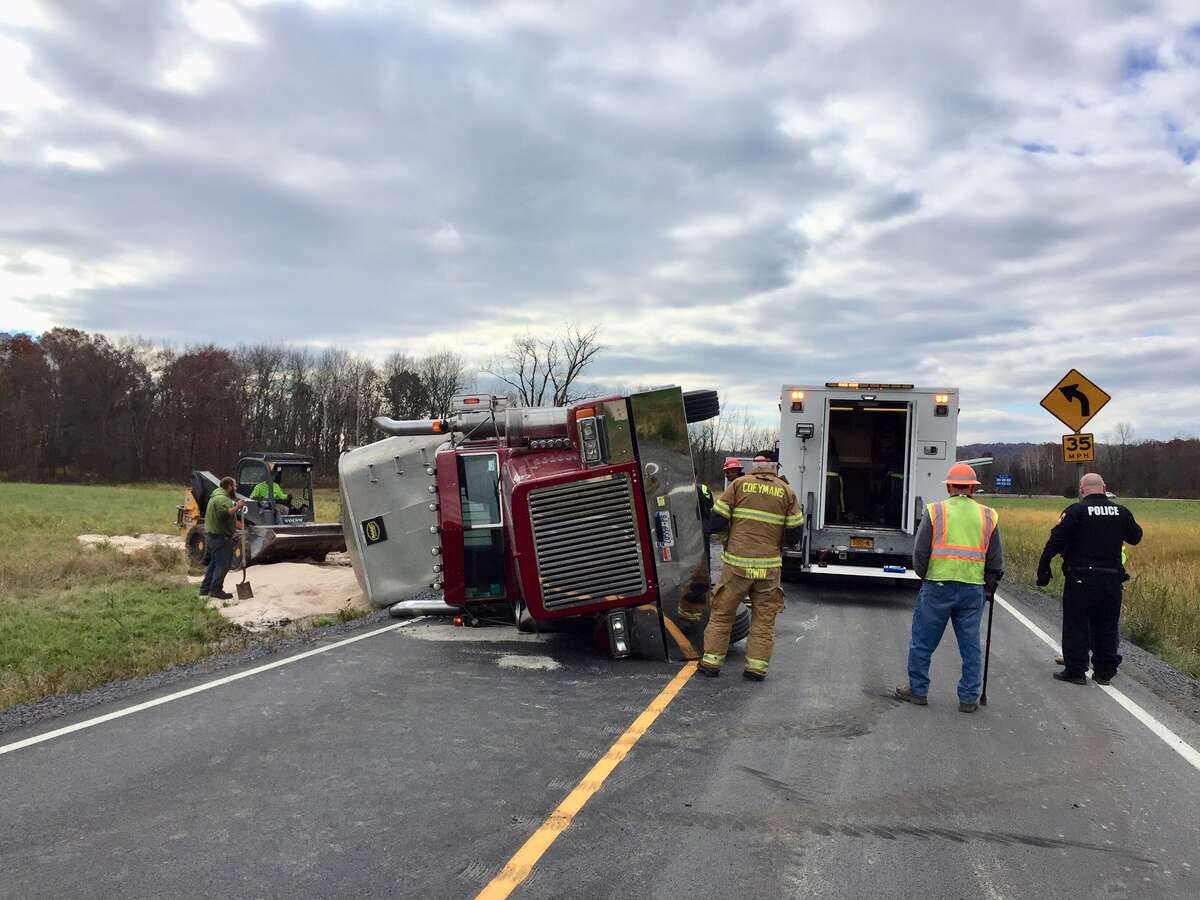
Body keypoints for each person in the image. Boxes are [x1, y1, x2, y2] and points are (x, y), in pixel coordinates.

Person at [896, 463, 1003, 713]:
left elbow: (920, 553)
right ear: (973, 489)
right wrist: (987, 587)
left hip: (938, 585)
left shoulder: (935, 511)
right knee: (970, 646)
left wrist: (927, 577)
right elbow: (996, 560)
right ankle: (968, 698)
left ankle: (918, 690)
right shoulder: (989, 515)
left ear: (949, 486)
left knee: (923, 641)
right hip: (972, 588)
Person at [699, 460, 803, 681]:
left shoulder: (738, 485)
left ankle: (711, 664)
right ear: (775, 471)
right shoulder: (787, 491)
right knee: (764, 620)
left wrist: (728, 536)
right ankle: (756, 669)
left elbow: (717, 520)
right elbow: (795, 534)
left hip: (737, 566)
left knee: (722, 614)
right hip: (768, 570)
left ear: (753, 470)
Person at [1038, 473, 1142, 686]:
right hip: (1111, 579)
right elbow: (1136, 536)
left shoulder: (1076, 511)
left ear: (1081, 489)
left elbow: (1056, 540)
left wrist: (1044, 565)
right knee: (1106, 625)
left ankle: (1076, 670)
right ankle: (1105, 672)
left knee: (1076, 624)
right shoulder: (1121, 512)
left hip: (1081, 578)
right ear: (1105, 488)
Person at [200, 476, 246, 600]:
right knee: (223, 564)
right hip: (220, 537)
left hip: (213, 536)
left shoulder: (217, 496)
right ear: (230, 486)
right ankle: (215, 590)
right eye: (235, 486)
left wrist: (236, 505)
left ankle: (205, 590)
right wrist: (237, 507)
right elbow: (223, 514)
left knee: (214, 563)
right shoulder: (221, 499)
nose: (236, 488)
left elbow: (227, 510)